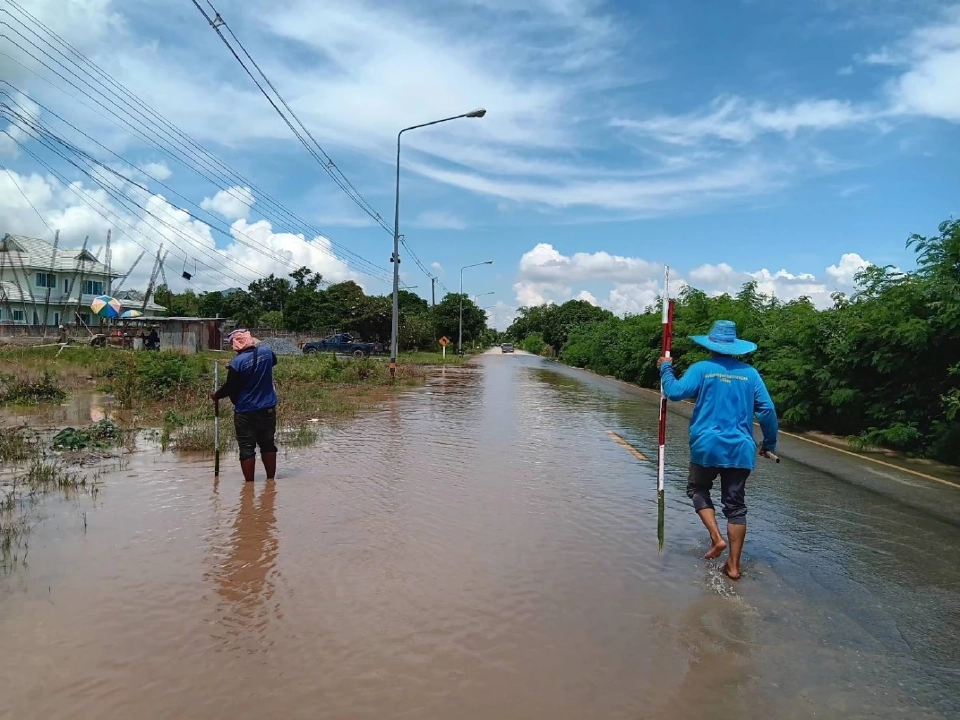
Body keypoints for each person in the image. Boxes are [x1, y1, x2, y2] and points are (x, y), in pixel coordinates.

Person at [658, 319, 778, 580]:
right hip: (740, 450)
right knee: (736, 507)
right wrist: (768, 444)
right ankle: (734, 567)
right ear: (736, 348)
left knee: (698, 489)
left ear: (710, 345)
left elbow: (675, 392)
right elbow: (767, 410)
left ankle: (716, 537)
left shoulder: (702, 369)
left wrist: (666, 369)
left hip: (706, 447)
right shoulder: (750, 373)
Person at [211, 329, 279, 483]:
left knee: (247, 448)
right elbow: (273, 362)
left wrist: (216, 395)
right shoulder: (267, 352)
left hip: (245, 411)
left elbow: (230, 387)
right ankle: (270, 480)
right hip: (268, 408)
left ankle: (249, 485)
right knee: (268, 444)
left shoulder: (237, 362)